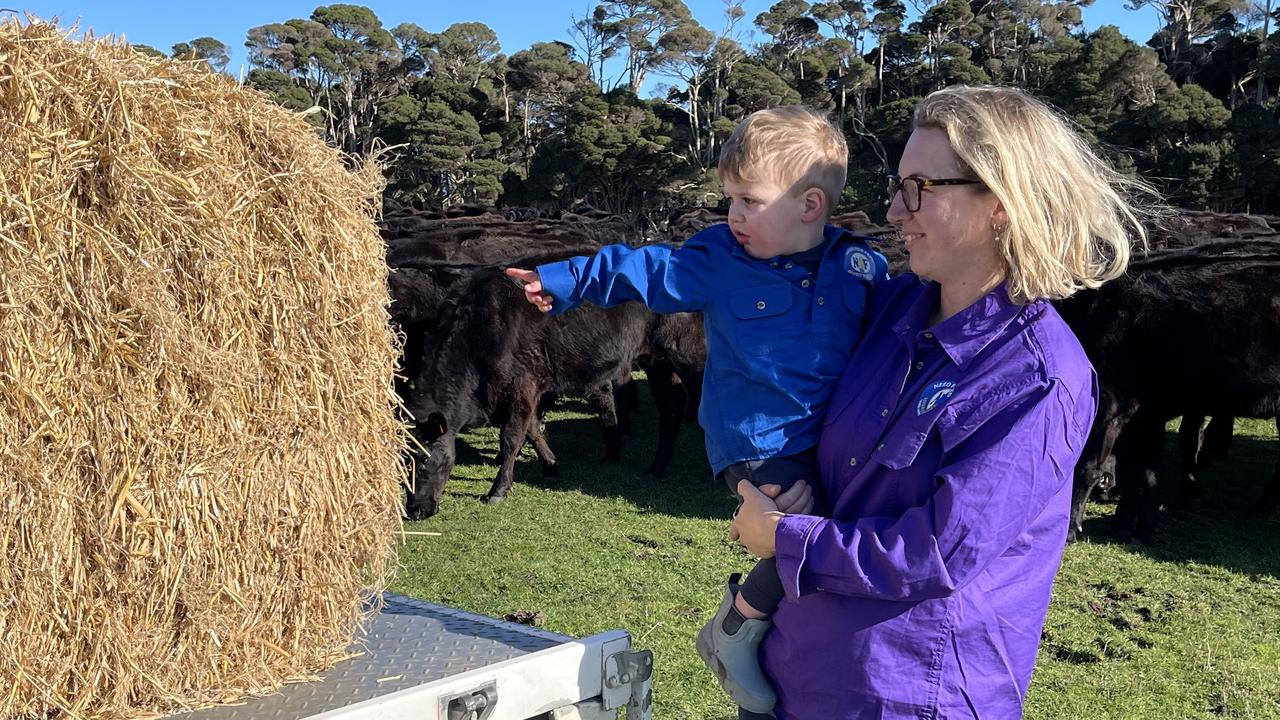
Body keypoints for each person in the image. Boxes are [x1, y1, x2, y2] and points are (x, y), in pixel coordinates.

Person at [729, 84, 1155, 719]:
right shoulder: (892, 308)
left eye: (920, 188)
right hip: (796, 672)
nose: (895, 210)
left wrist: (788, 540)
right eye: (899, 185)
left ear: (1002, 204)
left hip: (906, 694)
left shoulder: (1037, 379)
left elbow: (939, 551)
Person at [505, 105, 888, 714]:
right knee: (802, 527)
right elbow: (644, 268)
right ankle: (736, 627)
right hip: (753, 441)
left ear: (810, 206)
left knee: (839, 523)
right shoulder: (718, 260)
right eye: (729, 199)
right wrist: (567, 278)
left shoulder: (860, 267)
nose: (733, 214)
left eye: (748, 200)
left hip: (829, 437)